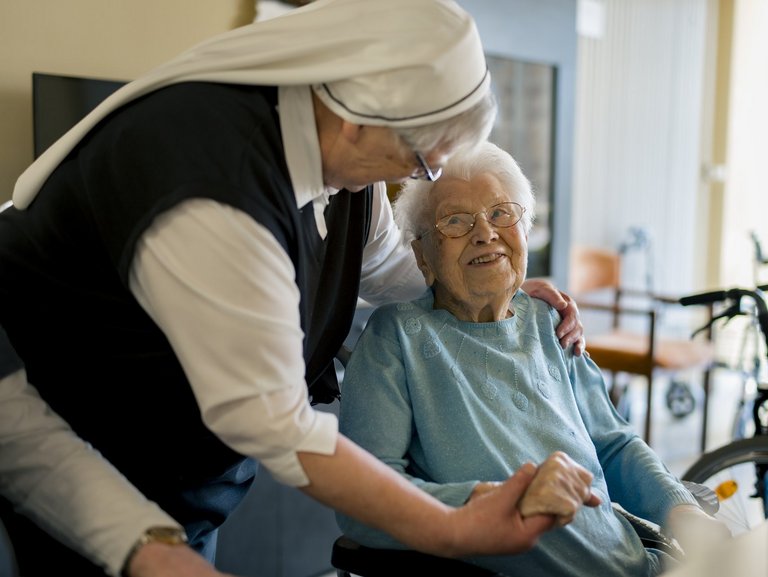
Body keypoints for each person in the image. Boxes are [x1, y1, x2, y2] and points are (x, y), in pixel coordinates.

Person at [0, 0, 586, 574]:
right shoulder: (214, 188)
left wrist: (495, 276)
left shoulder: (345, 166)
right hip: (80, 463)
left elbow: (385, 267)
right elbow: (277, 425)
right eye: (419, 161)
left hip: (190, 482)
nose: (415, 178)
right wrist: (452, 526)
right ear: (359, 117)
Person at [336, 141, 730, 576]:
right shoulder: (397, 339)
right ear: (422, 256)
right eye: (455, 221)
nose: (485, 232)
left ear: (525, 232)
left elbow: (614, 444)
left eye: (502, 213)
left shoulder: (549, 322)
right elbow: (363, 504)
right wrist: (501, 501)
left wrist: (679, 511)